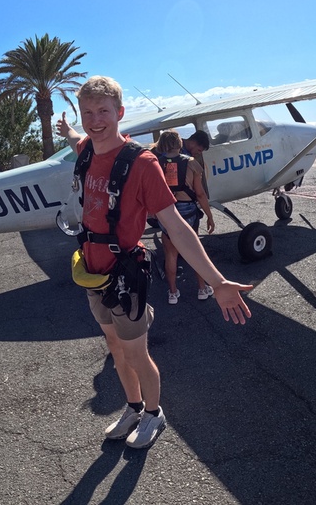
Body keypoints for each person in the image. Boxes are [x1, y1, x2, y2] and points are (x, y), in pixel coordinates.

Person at [56, 76, 252, 449]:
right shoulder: (85, 149)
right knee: (114, 347)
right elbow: (77, 139)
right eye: (88, 113)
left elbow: (177, 227)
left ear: (120, 113)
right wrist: (68, 130)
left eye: (103, 111)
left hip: (124, 273)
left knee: (135, 352)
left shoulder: (143, 164)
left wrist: (216, 280)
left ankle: (153, 414)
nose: (95, 120)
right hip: (92, 271)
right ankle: (132, 408)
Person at [150, 130, 215, 305]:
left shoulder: (155, 163)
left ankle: (172, 293)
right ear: (180, 144)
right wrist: (209, 216)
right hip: (188, 212)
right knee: (195, 252)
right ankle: (202, 289)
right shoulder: (192, 163)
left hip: (166, 212)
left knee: (170, 254)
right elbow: (200, 194)